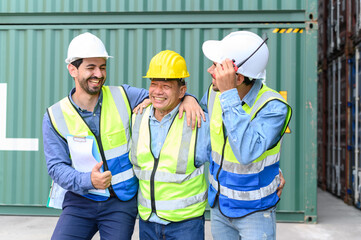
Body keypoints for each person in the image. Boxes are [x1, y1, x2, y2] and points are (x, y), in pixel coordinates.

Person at [42, 33, 203, 240]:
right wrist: (87, 180)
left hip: (120, 202)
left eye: (102, 67)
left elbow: (164, 95)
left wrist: (189, 99)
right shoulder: (55, 115)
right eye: (91, 67)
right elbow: (56, 167)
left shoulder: (124, 96)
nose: (98, 74)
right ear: (72, 69)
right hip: (80, 199)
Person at [200, 31, 292, 239]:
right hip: (220, 206)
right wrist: (187, 99)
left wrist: (229, 95)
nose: (210, 70)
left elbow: (246, 151)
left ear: (237, 77)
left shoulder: (273, 107)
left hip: (255, 212)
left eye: (216, 66)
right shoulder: (214, 95)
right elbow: (199, 113)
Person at [130, 50, 211, 240]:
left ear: (182, 91)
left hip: (186, 224)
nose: (158, 91)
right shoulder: (137, 116)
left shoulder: (197, 120)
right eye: (154, 84)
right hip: (147, 220)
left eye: (166, 86)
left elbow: (224, 159)